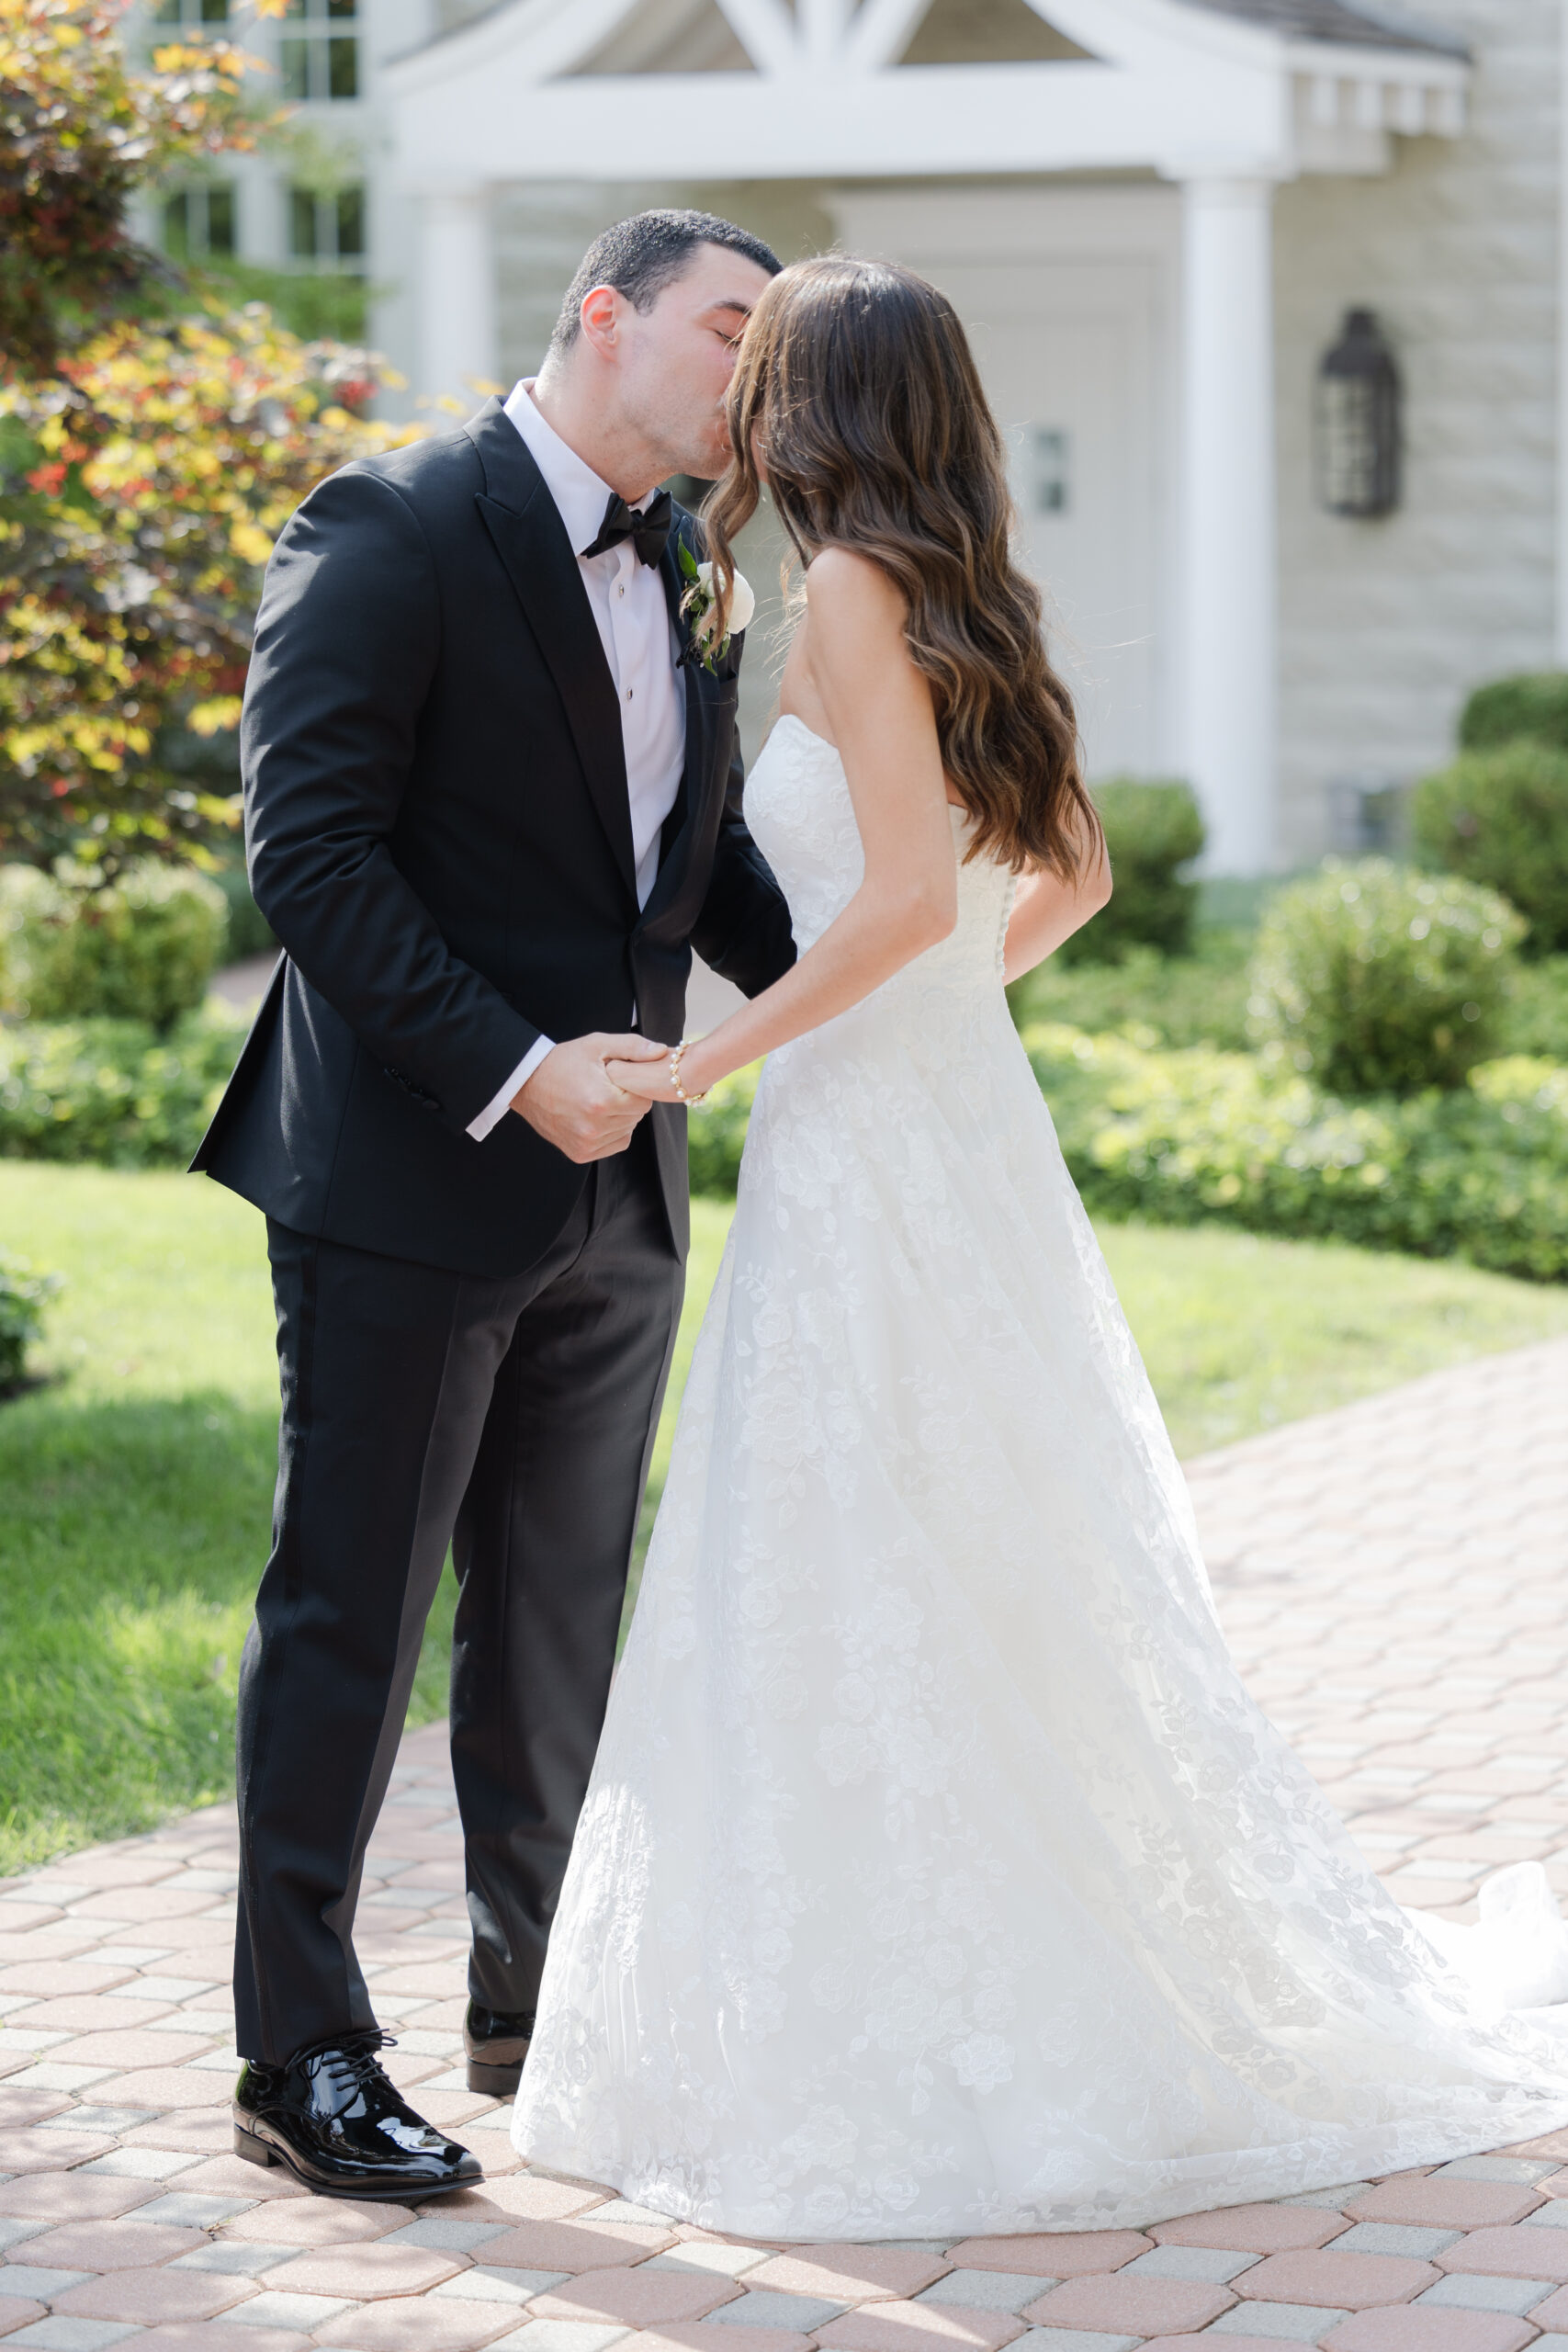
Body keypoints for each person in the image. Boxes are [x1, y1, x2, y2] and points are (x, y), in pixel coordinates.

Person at [510, 254, 1568, 2238]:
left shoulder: (844, 590)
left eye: (766, 368)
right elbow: (1055, 877)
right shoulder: (965, 585)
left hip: (864, 1135)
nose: (737, 398)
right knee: (980, 1537)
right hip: (945, 1124)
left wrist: (719, 1055)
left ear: (808, 405)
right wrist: (927, 1033)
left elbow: (906, 891)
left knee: (852, 1537)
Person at [191, 209, 797, 2200]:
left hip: (625, 1182)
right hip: (405, 1169)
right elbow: (316, 855)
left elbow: (678, 864)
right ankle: (299, 2050)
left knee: (556, 1615)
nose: (748, 370)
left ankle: (533, 1995)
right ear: (601, 315)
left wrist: (857, 989)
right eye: (727, 327)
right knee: (347, 1611)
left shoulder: (694, 566)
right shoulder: (390, 525)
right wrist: (511, 1072)